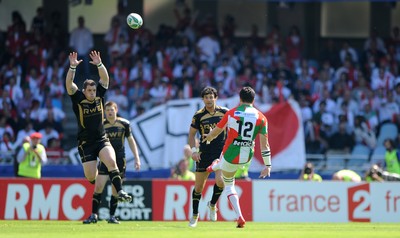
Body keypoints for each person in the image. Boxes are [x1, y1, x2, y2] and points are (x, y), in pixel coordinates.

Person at [65, 51, 132, 224]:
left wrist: (100, 64)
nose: (93, 92)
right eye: (90, 90)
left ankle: (120, 191)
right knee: (90, 177)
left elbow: (105, 80)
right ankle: (99, 191)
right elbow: (69, 84)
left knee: (112, 162)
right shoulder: (77, 98)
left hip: (102, 139)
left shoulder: (100, 96)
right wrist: (72, 67)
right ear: (84, 91)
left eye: (94, 90)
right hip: (85, 143)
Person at [205, 86, 271, 228]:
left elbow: (216, 132)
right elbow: (265, 145)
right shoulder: (261, 117)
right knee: (225, 168)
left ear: (240, 99)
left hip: (230, 155)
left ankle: (239, 216)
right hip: (246, 157)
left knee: (229, 184)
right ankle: (216, 165)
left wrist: (208, 136)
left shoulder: (231, 113)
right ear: (253, 100)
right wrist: (268, 165)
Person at [84, 101, 141, 224]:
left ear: (116, 110)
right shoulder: (101, 125)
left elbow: (131, 140)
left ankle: (112, 216)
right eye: (107, 110)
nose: (109, 112)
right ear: (104, 112)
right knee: (98, 187)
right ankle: (94, 215)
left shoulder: (124, 124)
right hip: (105, 160)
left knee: (116, 190)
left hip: (120, 160)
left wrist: (137, 157)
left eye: (112, 109)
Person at [188, 86, 228, 228]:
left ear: (216, 98)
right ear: (203, 99)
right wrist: (193, 151)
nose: (209, 100)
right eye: (206, 97)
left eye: (212, 97)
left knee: (221, 181)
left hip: (220, 153)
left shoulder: (225, 112)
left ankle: (212, 204)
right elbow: (192, 134)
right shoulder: (198, 115)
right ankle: (194, 215)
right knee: (198, 187)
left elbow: (235, 128)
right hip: (204, 153)